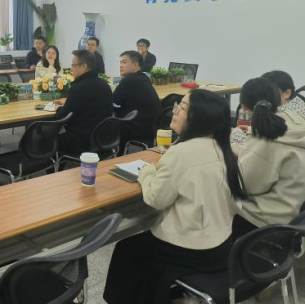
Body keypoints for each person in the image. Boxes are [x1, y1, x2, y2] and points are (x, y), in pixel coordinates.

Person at [104, 90, 247, 304]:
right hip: (221, 246)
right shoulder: (223, 147)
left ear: (198, 117)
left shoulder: (182, 152)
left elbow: (155, 198)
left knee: (126, 249)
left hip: (193, 250)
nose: (175, 111)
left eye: (182, 107)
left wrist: (146, 172)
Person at [232, 77, 305, 241]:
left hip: (265, 220)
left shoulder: (265, 137)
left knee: (215, 193)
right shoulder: (297, 120)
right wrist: (241, 146)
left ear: (244, 106)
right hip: (294, 213)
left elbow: (245, 185)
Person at [53, 50, 113, 156]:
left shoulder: (78, 88)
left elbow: (63, 116)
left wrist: (58, 108)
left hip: (82, 141)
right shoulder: (105, 85)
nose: (72, 69)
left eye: (73, 65)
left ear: (84, 66)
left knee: (45, 139)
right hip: (103, 138)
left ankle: (52, 166)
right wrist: (65, 105)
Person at [114, 50, 162, 151]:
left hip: (134, 130)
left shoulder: (129, 80)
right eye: (120, 62)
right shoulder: (144, 78)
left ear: (136, 65)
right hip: (150, 130)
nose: (120, 65)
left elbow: (113, 104)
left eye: (124, 62)